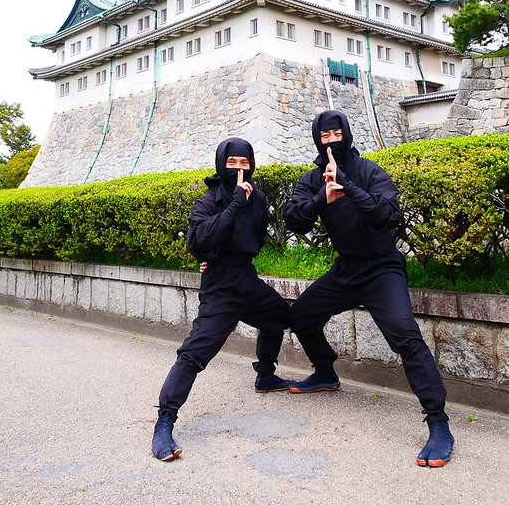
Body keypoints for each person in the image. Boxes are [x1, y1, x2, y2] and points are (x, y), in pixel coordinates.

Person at [285, 110, 454, 468]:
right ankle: (325, 372)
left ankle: (438, 422)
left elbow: (388, 215)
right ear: (317, 139)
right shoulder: (312, 179)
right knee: (299, 315)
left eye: (337, 134)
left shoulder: (370, 171)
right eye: (324, 136)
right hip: (345, 269)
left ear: (347, 134)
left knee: (406, 337)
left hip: (381, 269)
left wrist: (347, 185)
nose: (332, 141)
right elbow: (294, 221)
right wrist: (322, 198)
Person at [152, 137, 292, 462]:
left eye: (245, 163)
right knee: (194, 353)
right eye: (232, 163)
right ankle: (164, 421)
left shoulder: (258, 198)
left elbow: (256, 235)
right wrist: (233, 207)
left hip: (247, 277)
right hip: (219, 286)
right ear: (221, 164)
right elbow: (198, 240)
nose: (239, 169)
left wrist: (228, 248)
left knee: (279, 317)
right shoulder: (207, 201)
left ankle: (266, 374)